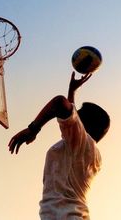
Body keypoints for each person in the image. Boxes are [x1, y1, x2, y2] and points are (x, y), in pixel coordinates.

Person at [8, 72, 110, 220]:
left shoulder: (81, 143)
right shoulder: (85, 150)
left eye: (78, 113)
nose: (75, 112)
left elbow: (59, 103)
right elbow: (70, 118)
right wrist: (72, 91)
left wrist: (32, 129)